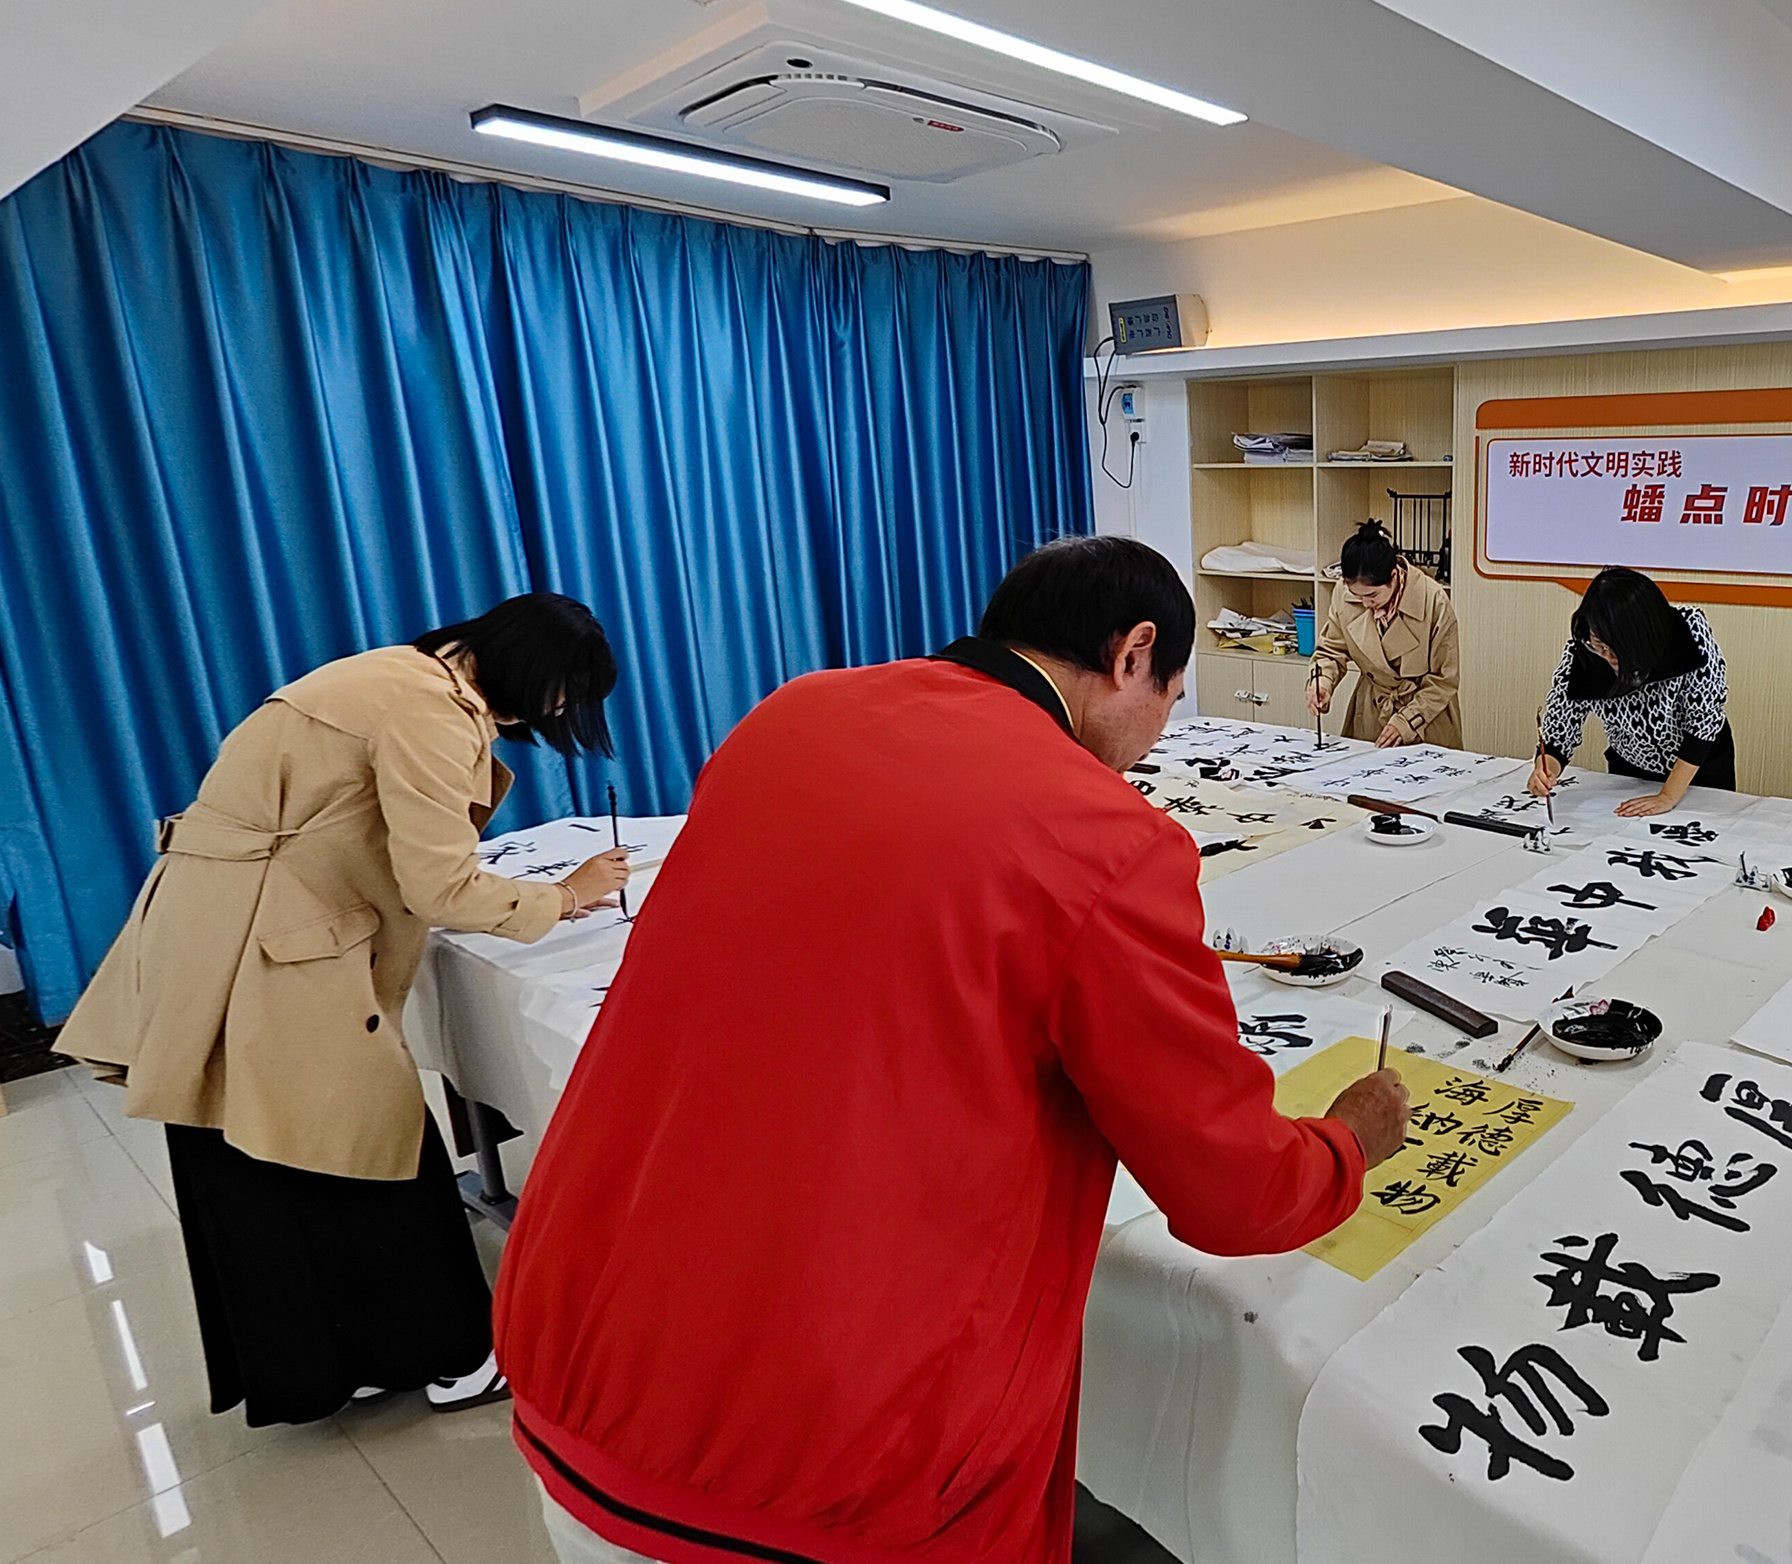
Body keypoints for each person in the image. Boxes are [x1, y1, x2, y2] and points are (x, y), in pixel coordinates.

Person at [493, 535, 1409, 1564]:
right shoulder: (1100, 833)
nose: (1158, 735)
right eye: (1170, 694)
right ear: (1132, 654)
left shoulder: (790, 716)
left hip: (587, 1364)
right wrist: (1344, 1143)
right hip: (826, 1470)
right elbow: (1232, 1190)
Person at [55, 593, 631, 1425]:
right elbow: (440, 887)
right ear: (532, 672)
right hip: (271, 942)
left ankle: (336, 1364)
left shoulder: (392, 672)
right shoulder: (430, 711)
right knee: (370, 1143)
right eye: (562, 694)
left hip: (217, 922)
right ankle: (454, 1356)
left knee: (254, 1151)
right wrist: (565, 896)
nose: (557, 711)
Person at [1529, 567, 1732, 817]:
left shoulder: (1687, 631)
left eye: (1618, 649)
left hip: (1697, 767)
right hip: (1630, 768)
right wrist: (1546, 769)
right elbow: (1560, 729)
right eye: (1601, 646)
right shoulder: (1583, 652)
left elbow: (1704, 721)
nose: (1609, 657)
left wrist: (1668, 796)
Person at [1305, 520, 1462, 748]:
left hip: (1426, 716)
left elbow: (1444, 679)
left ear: (1393, 575)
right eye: (1357, 595)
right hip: (1371, 711)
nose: (1365, 604)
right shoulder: (1344, 594)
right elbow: (1330, 651)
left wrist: (1405, 722)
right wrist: (1322, 681)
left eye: (1372, 595)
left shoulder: (1433, 600)